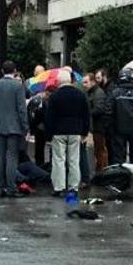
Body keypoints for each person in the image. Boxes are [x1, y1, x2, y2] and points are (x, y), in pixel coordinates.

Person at [0, 61, 28, 198]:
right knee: (11, 157)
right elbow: (22, 109)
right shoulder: (18, 86)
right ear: (14, 71)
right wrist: (25, 127)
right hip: (14, 127)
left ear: (2, 71)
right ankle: (11, 187)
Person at [44, 69, 90, 197]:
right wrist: (84, 132)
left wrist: (48, 136)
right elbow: (86, 115)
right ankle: (73, 187)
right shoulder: (80, 95)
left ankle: (59, 187)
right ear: (70, 80)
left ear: (58, 82)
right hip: (75, 131)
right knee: (74, 160)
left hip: (59, 132)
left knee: (58, 160)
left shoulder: (54, 96)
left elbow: (50, 117)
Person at [106, 68, 133, 165]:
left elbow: (108, 112)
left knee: (118, 156)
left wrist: (110, 129)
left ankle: (119, 177)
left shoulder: (115, 93)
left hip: (118, 130)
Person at [82, 73, 110, 171]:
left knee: (100, 150)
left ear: (92, 82)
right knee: (97, 151)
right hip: (94, 126)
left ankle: (102, 171)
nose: (84, 85)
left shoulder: (98, 93)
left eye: (86, 82)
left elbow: (99, 109)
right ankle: (100, 170)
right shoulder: (90, 92)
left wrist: (86, 112)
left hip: (98, 127)